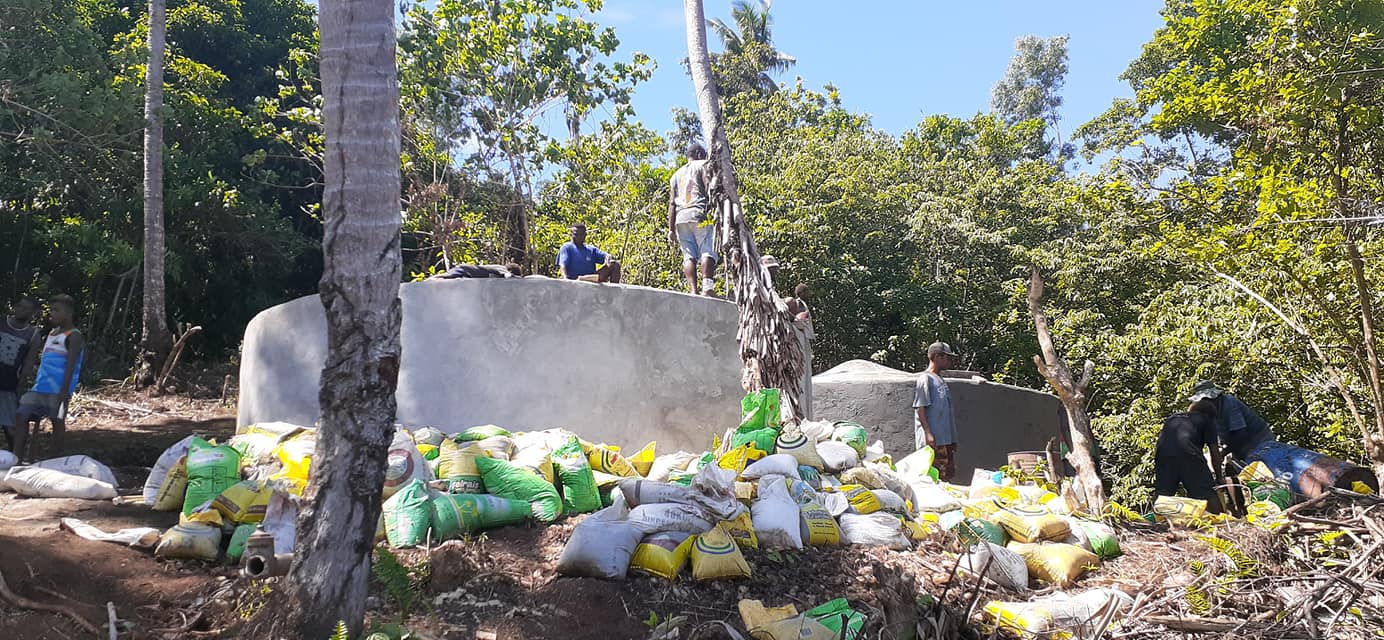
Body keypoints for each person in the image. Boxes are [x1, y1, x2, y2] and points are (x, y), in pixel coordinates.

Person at [12, 294, 84, 460]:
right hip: (40, 387)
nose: (52, 313)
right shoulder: (52, 333)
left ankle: (54, 459)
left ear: (68, 313)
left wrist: (65, 390)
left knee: (57, 422)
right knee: (22, 414)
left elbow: (71, 365)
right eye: (51, 309)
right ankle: (17, 458)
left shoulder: (74, 335)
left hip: (58, 389)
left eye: (56, 310)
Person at [1154, 398, 1225, 513]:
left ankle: (1156, 521)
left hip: (1163, 454)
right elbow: (1214, 452)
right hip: (1189, 454)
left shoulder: (1173, 418)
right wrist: (1219, 477)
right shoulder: (1207, 420)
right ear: (1209, 415)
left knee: (1163, 493)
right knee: (1207, 492)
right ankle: (1222, 521)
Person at [669, 143, 717, 296]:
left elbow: (672, 204)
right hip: (699, 212)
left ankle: (693, 290)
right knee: (707, 250)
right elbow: (710, 186)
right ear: (698, 154)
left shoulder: (675, 175)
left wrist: (671, 230)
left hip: (681, 217)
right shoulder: (703, 164)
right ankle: (707, 288)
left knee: (689, 256)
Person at [1188, 381, 1275, 463]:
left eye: (1208, 400)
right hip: (1241, 448)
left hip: (1260, 443)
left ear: (1216, 397)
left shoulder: (1229, 403)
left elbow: (1240, 435)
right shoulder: (1210, 411)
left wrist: (1222, 453)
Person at [914, 341, 959, 481]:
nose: (949, 361)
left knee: (945, 476)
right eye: (946, 357)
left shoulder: (940, 380)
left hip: (945, 440)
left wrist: (952, 441)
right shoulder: (925, 379)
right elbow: (920, 408)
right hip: (934, 441)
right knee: (934, 477)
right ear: (935, 357)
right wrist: (928, 433)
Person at [1, 295, 40, 452]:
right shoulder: (2, 322)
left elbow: (29, 362)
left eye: (25, 308)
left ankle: (15, 458)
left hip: (8, 383)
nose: (20, 310)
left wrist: (22, 382)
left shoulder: (32, 334)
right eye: (19, 306)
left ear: (32, 313)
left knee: (10, 425)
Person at [785, 283, 814, 420]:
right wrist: (798, 321)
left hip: (803, 341)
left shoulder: (804, 305)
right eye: (805, 292)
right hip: (797, 340)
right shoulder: (794, 303)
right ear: (801, 293)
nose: (807, 295)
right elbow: (788, 318)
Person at [557, 224, 621, 283]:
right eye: (576, 234)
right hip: (575, 280)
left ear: (585, 235)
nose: (579, 237)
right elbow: (563, 265)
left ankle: (614, 292)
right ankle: (581, 279)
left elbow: (605, 256)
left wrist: (608, 256)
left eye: (581, 234)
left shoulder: (590, 249)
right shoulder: (567, 247)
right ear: (571, 235)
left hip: (592, 278)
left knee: (615, 265)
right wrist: (565, 280)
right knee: (581, 279)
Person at [428, 262, 524, 280]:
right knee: (442, 278)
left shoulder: (497, 270)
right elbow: (509, 276)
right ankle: (430, 279)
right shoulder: (502, 269)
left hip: (465, 271)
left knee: (445, 278)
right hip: (465, 271)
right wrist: (520, 280)